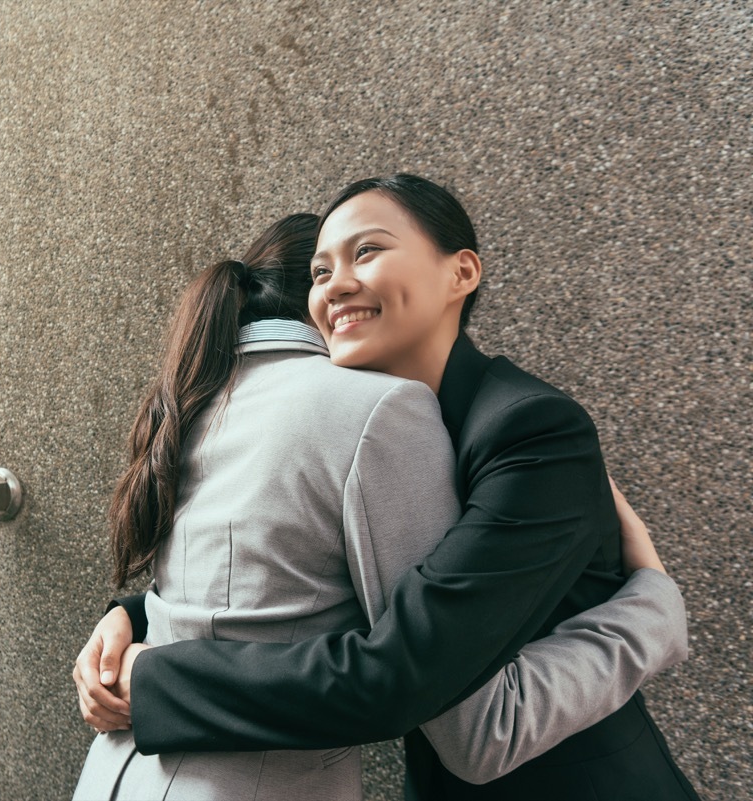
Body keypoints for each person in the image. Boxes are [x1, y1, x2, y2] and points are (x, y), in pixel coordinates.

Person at [72, 203, 692, 800]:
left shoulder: (525, 427)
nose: (339, 284)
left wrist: (654, 611)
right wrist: (138, 615)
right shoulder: (379, 414)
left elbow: (448, 704)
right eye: (321, 270)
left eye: (366, 251)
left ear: (462, 270)